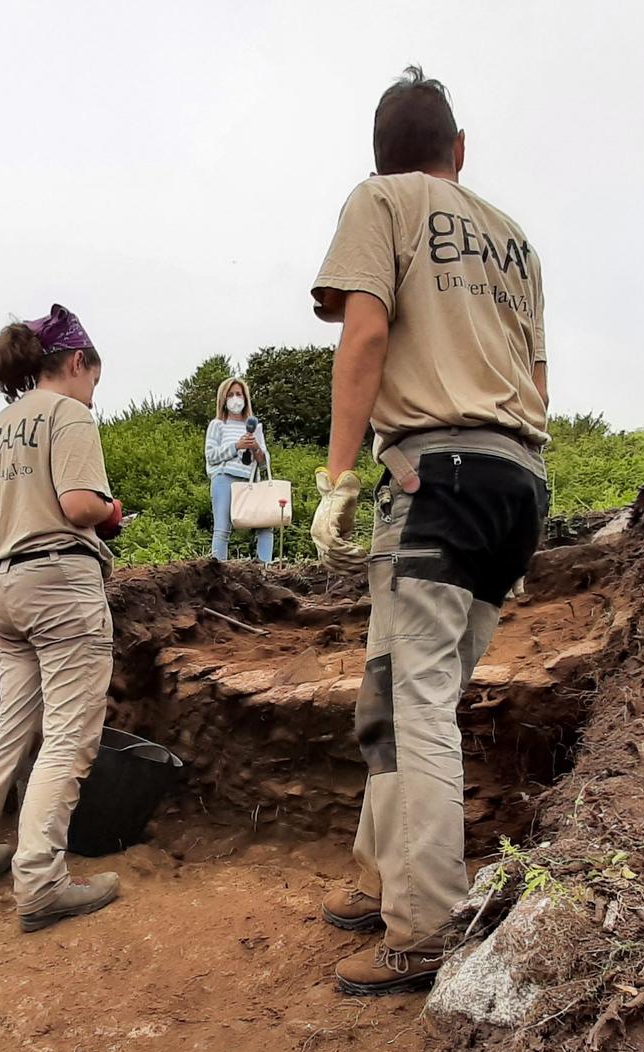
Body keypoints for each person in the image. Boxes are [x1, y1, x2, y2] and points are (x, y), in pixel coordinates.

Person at [308, 67, 550, 997]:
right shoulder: (515, 237)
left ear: (384, 158)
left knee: (415, 713)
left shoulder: (381, 201)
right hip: (516, 479)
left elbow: (363, 336)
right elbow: (535, 375)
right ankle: (386, 879)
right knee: (396, 696)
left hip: (433, 476)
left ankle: (426, 930)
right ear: (459, 152)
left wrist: (335, 478)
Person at [0, 305, 124, 931]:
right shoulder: (69, 414)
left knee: (15, 724)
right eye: (95, 376)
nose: (94, 390)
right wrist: (111, 511)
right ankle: (39, 880)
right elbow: (78, 504)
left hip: (5, 584)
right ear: (75, 362)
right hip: (61, 581)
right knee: (69, 733)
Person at [204, 376, 275, 563]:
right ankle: (218, 569)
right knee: (222, 528)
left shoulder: (255, 427)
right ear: (223, 399)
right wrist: (237, 445)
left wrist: (255, 448)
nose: (235, 399)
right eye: (231, 395)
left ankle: (265, 567)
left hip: (251, 481)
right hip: (224, 479)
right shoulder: (217, 425)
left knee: (265, 525)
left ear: (245, 398)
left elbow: (263, 462)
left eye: (239, 394)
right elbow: (211, 455)